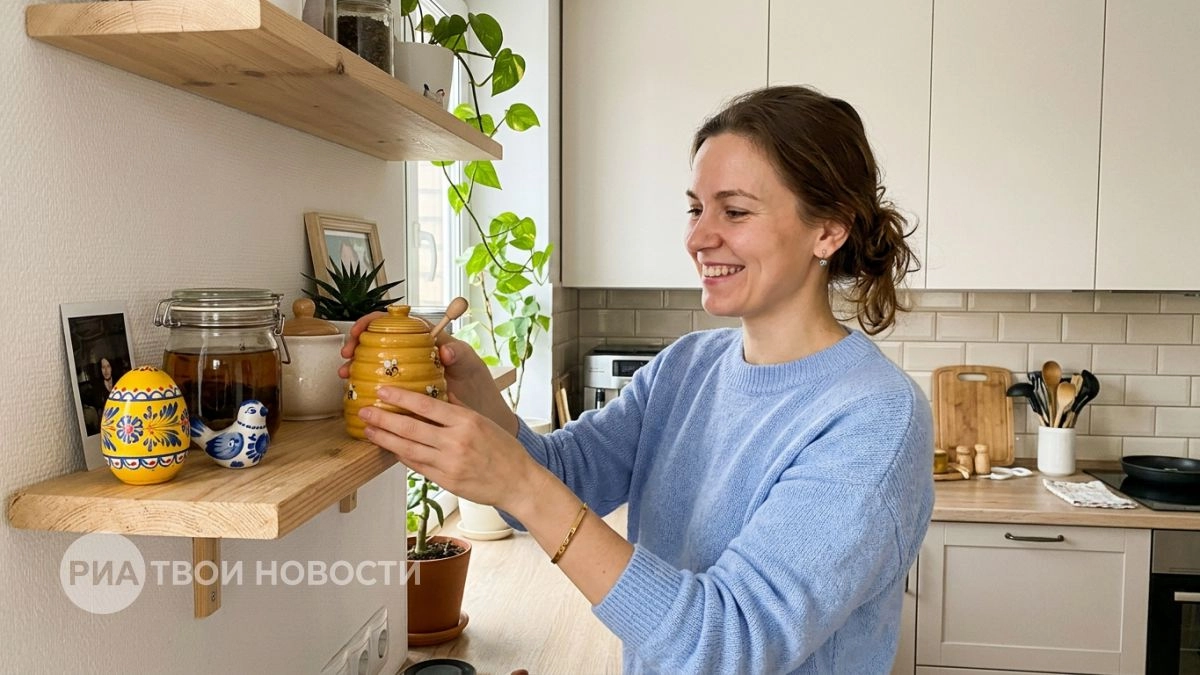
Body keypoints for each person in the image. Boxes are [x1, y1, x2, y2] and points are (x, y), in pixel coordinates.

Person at [342, 85, 934, 673]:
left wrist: (521, 484)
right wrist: (475, 395)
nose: (700, 237)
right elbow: (564, 481)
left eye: (735, 210)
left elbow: (725, 645)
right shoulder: (686, 367)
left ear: (828, 230)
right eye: (696, 208)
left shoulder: (874, 417)